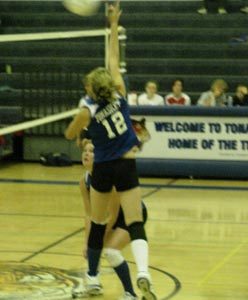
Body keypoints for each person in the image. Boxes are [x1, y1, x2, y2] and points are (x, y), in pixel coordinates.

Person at [65, 2, 157, 300]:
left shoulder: (87, 110)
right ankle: (143, 272)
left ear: (91, 90)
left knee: (98, 223)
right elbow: (114, 57)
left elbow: (69, 134)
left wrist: (78, 120)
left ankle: (92, 278)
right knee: (136, 222)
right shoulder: (118, 91)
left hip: (103, 168)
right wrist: (114, 24)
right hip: (127, 164)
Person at [78, 134, 148, 300]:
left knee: (110, 251)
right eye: (85, 151)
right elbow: (90, 215)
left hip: (130, 215)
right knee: (94, 246)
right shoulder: (84, 181)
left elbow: (114, 214)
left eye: (91, 151)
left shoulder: (110, 178)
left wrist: (99, 240)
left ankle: (130, 293)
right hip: (106, 218)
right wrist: (87, 242)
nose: (87, 154)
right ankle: (93, 282)